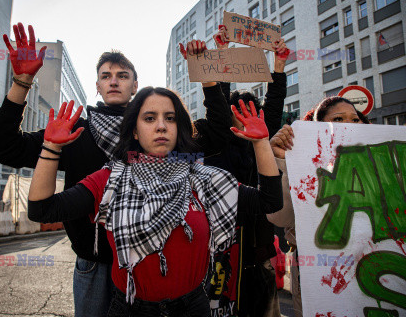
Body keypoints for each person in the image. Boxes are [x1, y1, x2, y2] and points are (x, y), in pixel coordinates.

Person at [0, 24, 236, 317]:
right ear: (97, 86)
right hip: (96, 263)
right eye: (106, 76)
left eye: (122, 76)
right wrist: (22, 83)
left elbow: (220, 133)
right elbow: (5, 148)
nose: (114, 81)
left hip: (152, 265)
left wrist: (206, 74)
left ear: (135, 85)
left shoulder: (161, 135)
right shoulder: (73, 131)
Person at [27, 87, 283, 316]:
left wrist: (261, 143)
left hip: (193, 307)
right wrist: (50, 147)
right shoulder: (109, 179)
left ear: (178, 126)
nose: (161, 126)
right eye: (150, 118)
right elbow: (42, 209)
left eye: (169, 118)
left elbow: (269, 201)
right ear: (135, 132)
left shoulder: (204, 179)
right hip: (130, 309)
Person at [181, 25, 289, 316]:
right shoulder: (215, 138)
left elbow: (275, 105)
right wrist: (222, 56)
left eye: (252, 111)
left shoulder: (261, 144)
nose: (245, 119)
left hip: (257, 244)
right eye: (237, 112)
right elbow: (217, 102)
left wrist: (278, 67)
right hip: (217, 245)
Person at [268, 96, 370, 317]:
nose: (349, 125)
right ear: (319, 128)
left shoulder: (378, 166)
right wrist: (282, 162)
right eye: (339, 118)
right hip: (316, 273)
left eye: (355, 119)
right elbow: (279, 217)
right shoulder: (304, 164)